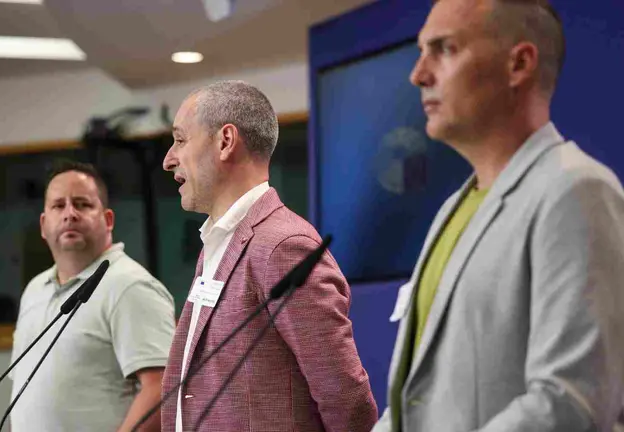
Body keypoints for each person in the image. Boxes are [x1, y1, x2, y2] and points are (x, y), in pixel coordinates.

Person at [373, 0, 624, 431]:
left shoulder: (576, 191)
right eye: (421, 51)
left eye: (444, 49)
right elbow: (413, 406)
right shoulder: (453, 209)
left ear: (519, 64)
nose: (418, 75)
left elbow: (569, 401)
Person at [160, 80, 378, 431]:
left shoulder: (283, 246)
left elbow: (346, 400)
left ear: (225, 141)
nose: (168, 159)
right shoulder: (218, 241)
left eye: (181, 140)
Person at [9, 160, 175, 432]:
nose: (70, 214)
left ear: (108, 220)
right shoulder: (35, 289)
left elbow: (162, 388)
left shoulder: (130, 286)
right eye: (58, 205)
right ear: (43, 224)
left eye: (82, 204)